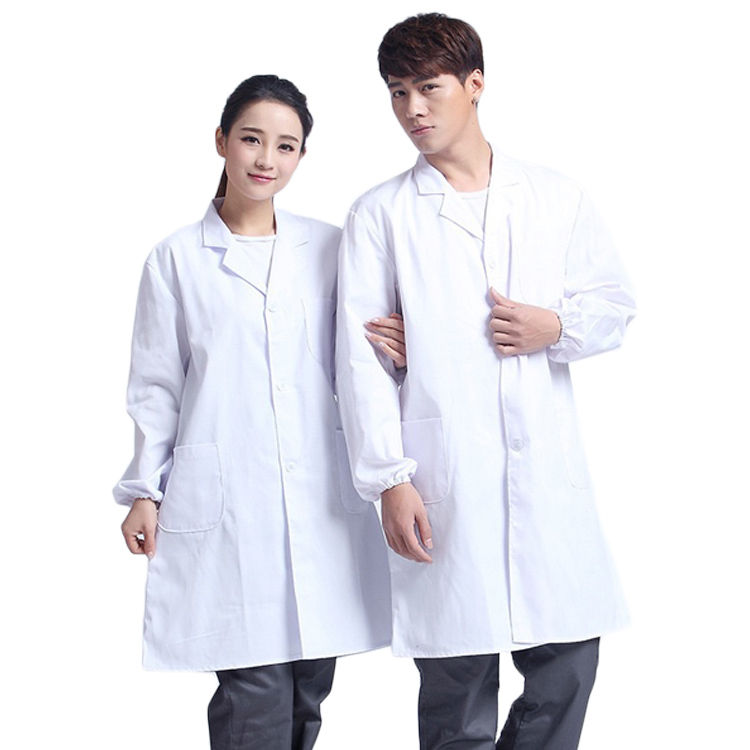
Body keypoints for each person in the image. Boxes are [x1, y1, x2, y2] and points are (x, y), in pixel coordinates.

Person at [335, 13, 636, 750]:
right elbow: (360, 361)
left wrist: (553, 327)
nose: (412, 108)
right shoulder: (380, 215)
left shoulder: (554, 195)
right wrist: (389, 480)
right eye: (397, 92)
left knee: (567, 663)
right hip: (443, 478)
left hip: (548, 479)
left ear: (475, 85)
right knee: (456, 684)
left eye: (428, 87)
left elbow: (614, 305)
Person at [114, 74, 404, 750]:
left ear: (302, 156)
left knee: (307, 691)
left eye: (286, 146)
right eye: (251, 139)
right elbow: (157, 386)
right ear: (221, 141)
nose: (266, 159)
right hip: (229, 503)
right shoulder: (176, 260)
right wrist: (143, 491)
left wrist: (402, 347)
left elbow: (363, 363)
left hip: (320, 499)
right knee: (256, 694)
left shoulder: (331, 248)